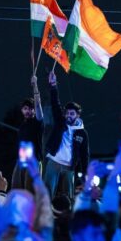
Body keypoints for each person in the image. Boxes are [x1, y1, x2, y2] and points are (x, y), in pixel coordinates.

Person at [44, 71, 90, 200]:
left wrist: (86, 175)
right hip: (54, 162)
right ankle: (46, 216)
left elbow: (84, 155)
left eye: (72, 114)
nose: (68, 116)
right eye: (67, 113)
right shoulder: (60, 122)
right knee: (48, 192)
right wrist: (53, 85)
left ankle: (65, 218)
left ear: (77, 115)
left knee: (67, 196)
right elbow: (55, 104)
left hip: (69, 167)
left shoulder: (82, 133)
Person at [11, 75, 44, 191]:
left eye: (30, 108)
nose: (27, 111)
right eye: (25, 108)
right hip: (21, 160)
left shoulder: (38, 122)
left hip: (33, 161)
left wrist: (35, 85)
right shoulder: (23, 126)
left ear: (33, 110)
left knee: (30, 191)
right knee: (16, 189)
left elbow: (38, 105)